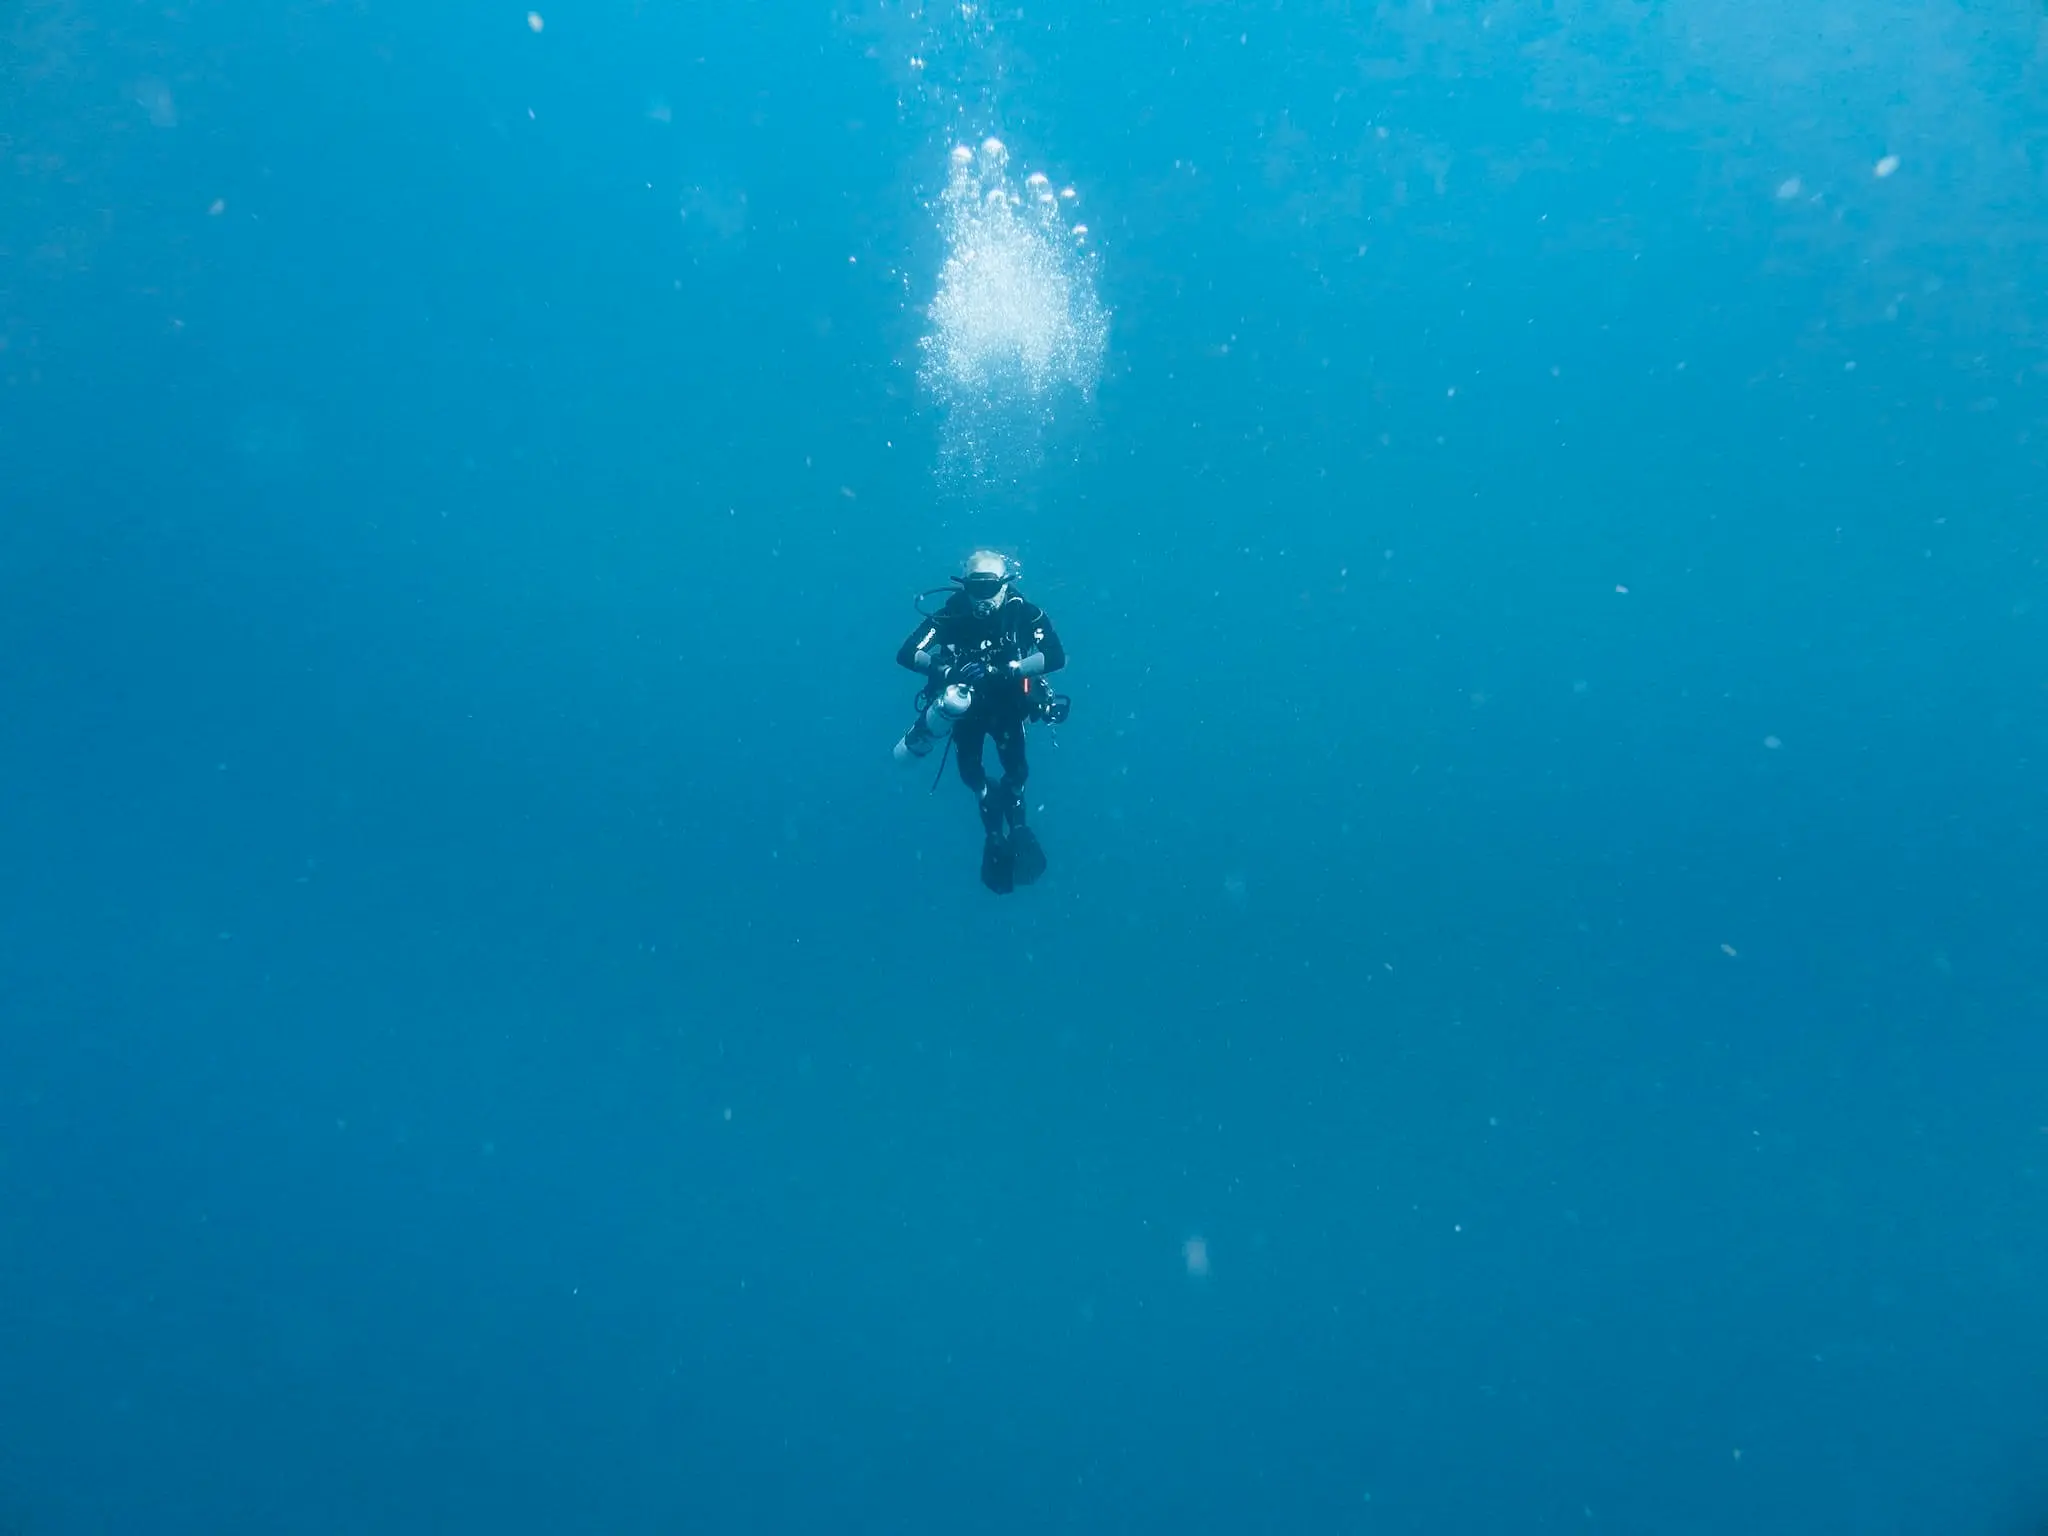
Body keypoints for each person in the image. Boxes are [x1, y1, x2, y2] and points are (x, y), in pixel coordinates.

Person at [893, 549, 1068, 894]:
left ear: (1005, 585)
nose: (982, 598)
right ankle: (991, 821)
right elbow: (907, 652)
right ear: (964, 587)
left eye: (990, 589)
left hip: (1008, 704)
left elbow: (1055, 656)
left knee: (1016, 770)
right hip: (967, 707)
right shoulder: (951, 615)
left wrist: (1008, 670)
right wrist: (947, 670)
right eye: (975, 588)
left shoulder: (1024, 614)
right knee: (972, 773)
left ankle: (1016, 819)